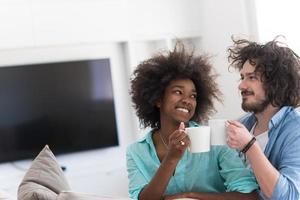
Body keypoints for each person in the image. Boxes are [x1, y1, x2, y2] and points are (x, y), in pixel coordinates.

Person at [126, 44, 258, 200]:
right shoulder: (137, 152)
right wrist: (172, 158)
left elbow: (249, 196)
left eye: (193, 96)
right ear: (157, 99)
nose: (187, 101)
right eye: (178, 92)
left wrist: (190, 196)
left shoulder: (215, 141)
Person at [226, 37, 300, 199]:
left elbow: (290, 196)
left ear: (276, 83)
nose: (241, 86)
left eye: (251, 77)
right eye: (242, 77)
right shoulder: (242, 124)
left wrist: (250, 146)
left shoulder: (296, 130)